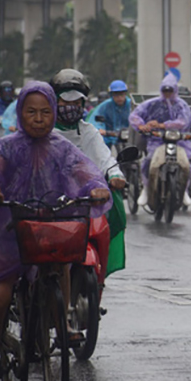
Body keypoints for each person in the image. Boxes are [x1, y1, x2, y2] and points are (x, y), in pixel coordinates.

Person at [0, 81, 111, 381]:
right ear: (20, 113)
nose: (38, 118)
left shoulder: (63, 148)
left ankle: (62, 326)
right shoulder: (5, 147)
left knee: (61, 270)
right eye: (31, 112)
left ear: (54, 112)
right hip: (7, 233)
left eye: (45, 112)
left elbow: (85, 171)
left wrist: (97, 188)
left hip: (49, 229)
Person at [50, 70, 128, 276]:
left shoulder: (88, 131)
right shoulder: (43, 132)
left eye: (77, 103)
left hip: (83, 201)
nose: (71, 107)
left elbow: (105, 158)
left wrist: (115, 175)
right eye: (66, 102)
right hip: (48, 203)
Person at [129, 74, 191, 207]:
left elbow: (183, 121)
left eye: (170, 90)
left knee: (187, 164)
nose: (167, 94)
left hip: (178, 141)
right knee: (149, 161)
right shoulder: (152, 103)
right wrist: (142, 125)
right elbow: (135, 115)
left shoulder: (182, 105)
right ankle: (146, 189)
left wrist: (162, 125)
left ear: (175, 90)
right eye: (165, 90)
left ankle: (184, 190)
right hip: (156, 140)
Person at [90, 80, 132, 147]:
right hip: (109, 135)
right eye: (116, 94)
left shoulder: (132, 105)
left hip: (129, 136)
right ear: (111, 95)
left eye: (122, 94)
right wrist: (99, 129)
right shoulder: (105, 106)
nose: (119, 97)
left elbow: (139, 116)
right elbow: (95, 119)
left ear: (125, 94)